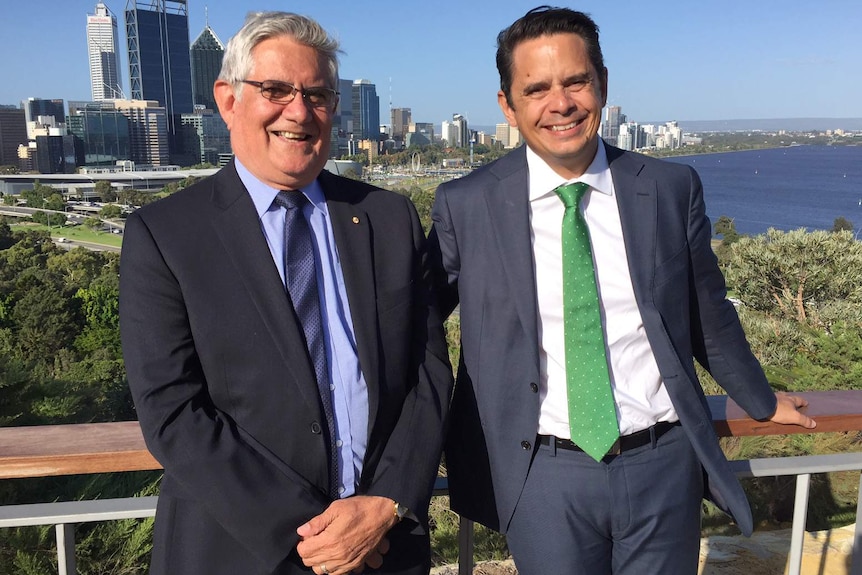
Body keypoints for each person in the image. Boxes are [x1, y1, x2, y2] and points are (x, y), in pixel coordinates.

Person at [428, 6, 815, 574]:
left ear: (603, 85)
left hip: (663, 460)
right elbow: (414, 322)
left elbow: (707, 311)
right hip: (540, 471)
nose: (559, 104)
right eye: (535, 89)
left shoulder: (667, 188)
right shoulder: (466, 204)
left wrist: (760, 399)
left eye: (575, 81)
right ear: (508, 106)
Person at [120, 11, 452, 575]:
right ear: (228, 100)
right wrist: (313, 535)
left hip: (383, 548)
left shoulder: (386, 218)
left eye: (318, 95)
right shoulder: (167, 235)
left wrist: (385, 504)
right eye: (275, 90)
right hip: (245, 550)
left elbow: (427, 371)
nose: (299, 112)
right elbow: (172, 410)